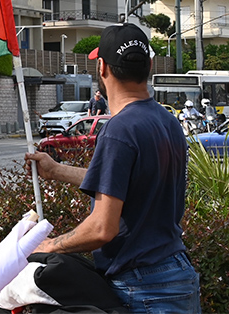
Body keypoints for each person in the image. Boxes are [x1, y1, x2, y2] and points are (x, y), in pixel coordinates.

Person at [25, 23, 200, 313]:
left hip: (143, 286)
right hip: (177, 274)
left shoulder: (120, 129)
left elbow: (102, 228)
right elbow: (122, 184)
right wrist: (56, 170)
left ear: (102, 67)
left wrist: (50, 246)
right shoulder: (166, 121)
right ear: (149, 66)